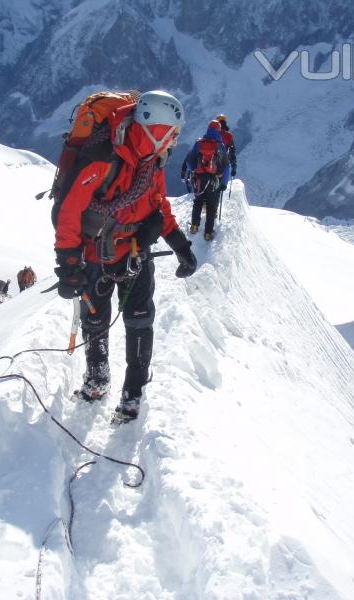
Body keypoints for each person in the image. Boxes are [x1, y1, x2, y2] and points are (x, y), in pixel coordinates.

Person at [53, 89, 197, 423]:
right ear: (155, 128)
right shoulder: (104, 157)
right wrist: (68, 266)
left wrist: (178, 243)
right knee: (96, 319)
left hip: (134, 251)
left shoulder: (152, 159)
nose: (176, 140)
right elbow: (69, 213)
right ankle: (98, 376)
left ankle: (132, 392)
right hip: (96, 252)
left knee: (139, 319)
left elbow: (157, 200)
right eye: (173, 133)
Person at [180, 120, 230, 241]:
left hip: (199, 180)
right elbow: (226, 166)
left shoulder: (199, 143)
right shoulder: (220, 145)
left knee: (198, 203)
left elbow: (189, 160)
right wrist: (223, 183)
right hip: (214, 181)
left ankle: (194, 227)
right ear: (218, 131)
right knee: (211, 207)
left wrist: (195, 170)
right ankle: (208, 233)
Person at [215, 114, 237, 178]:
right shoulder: (228, 136)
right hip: (222, 162)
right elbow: (232, 153)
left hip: (210, 162)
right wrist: (234, 167)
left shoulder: (212, 133)